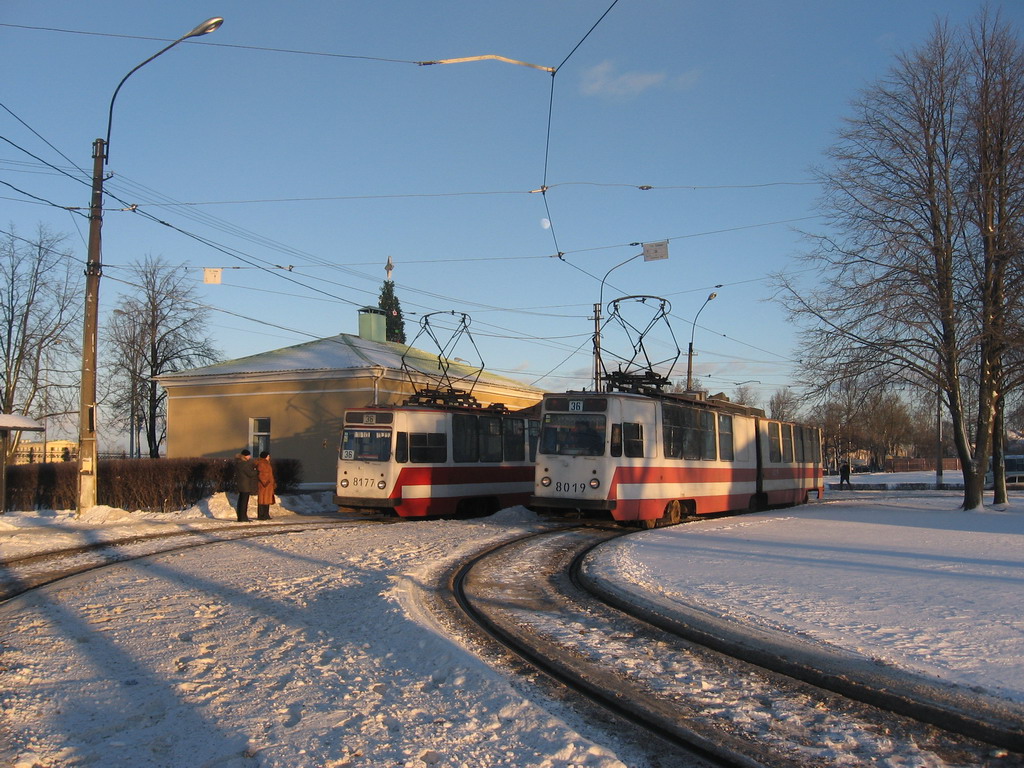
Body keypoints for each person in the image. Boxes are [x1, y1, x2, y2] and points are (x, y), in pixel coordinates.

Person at [234, 449, 258, 521]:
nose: (249, 457)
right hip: (245, 485)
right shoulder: (244, 464)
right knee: (244, 502)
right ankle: (243, 517)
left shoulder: (238, 463)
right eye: (248, 455)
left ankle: (241, 517)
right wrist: (256, 471)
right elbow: (250, 474)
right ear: (245, 456)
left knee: (241, 501)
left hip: (241, 484)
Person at [255, 450, 275, 520]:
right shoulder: (262, 463)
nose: (269, 457)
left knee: (267, 500)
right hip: (264, 485)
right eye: (268, 456)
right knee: (262, 500)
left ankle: (266, 514)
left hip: (268, 485)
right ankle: (262, 515)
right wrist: (265, 482)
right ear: (266, 456)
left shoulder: (266, 463)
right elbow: (261, 474)